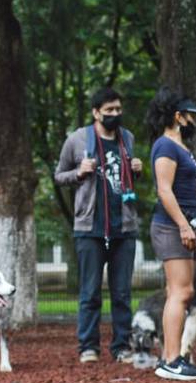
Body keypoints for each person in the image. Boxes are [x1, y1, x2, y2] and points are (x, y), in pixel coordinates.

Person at [54, 87, 144, 364]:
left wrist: (137, 170)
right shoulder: (77, 139)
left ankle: (121, 347)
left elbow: (124, 179)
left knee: (121, 293)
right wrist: (79, 172)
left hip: (124, 226)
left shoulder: (126, 137)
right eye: (109, 111)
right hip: (89, 227)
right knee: (90, 292)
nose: (115, 115)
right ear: (96, 113)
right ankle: (88, 348)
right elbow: (59, 176)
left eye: (118, 110)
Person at [146, 86, 196, 381]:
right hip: (171, 227)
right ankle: (171, 361)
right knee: (182, 292)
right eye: (191, 115)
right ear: (178, 116)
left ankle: (171, 358)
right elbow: (164, 190)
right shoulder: (165, 146)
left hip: (182, 225)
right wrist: (183, 225)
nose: (194, 120)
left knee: (178, 293)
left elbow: (179, 186)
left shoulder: (179, 147)